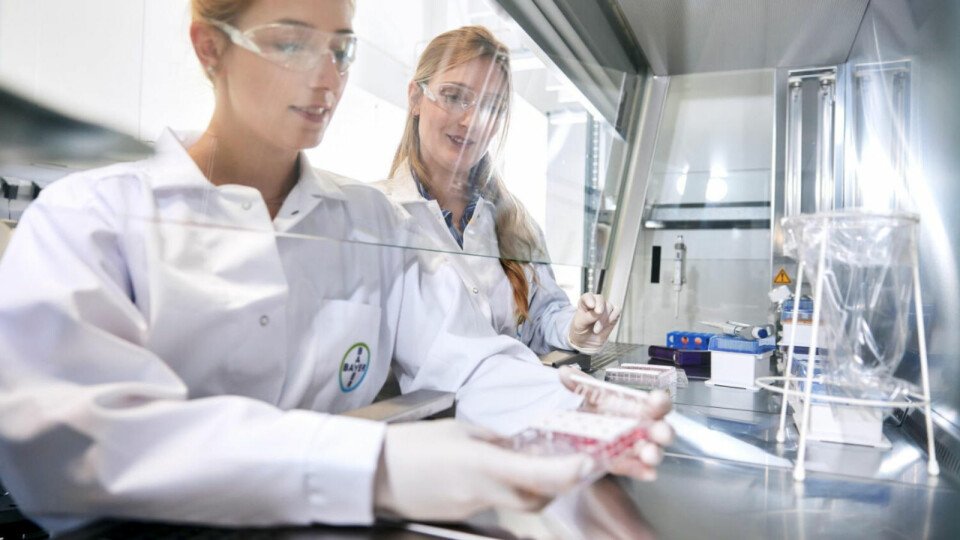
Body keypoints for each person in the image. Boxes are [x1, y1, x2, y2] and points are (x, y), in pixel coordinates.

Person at [0, 0, 672, 533]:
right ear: (210, 47)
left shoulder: (370, 225)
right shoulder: (91, 217)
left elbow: (467, 356)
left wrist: (571, 415)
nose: (326, 78)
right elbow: (69, 447)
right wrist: (378, 467)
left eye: (341, 50)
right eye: (290, 43)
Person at [374, 26, 618, 356]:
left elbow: (542, 315)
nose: (471, 121)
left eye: (490, 106)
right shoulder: (375, 214)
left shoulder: (514, 222)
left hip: (512, 386)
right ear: (416, 98)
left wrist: (574, 328)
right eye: (453, 97)